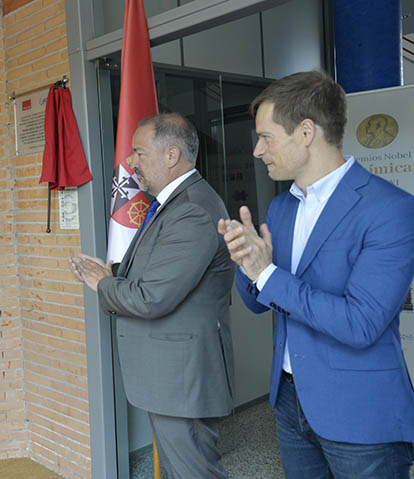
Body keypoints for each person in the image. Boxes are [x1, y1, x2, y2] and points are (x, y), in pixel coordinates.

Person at [218, 71, 414, 478]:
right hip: (290, 401)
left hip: (361, 413)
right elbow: (257, 302)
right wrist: (246, 260)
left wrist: (267, 273)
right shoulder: (281, 208)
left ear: (306, 132)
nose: (256, 150)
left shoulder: (390, 210)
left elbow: (361, 323)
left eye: (266, 137)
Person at [70, 113, 235, 478]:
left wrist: (102, 283)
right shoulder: (174, 204)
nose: (131, 163)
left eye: (139, 153)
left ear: (172, 155)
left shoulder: (191, 209)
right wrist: (113, 273)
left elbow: (153, 298)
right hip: (171, 378)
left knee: (193, 473)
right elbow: (158, 275)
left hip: (181, 379)